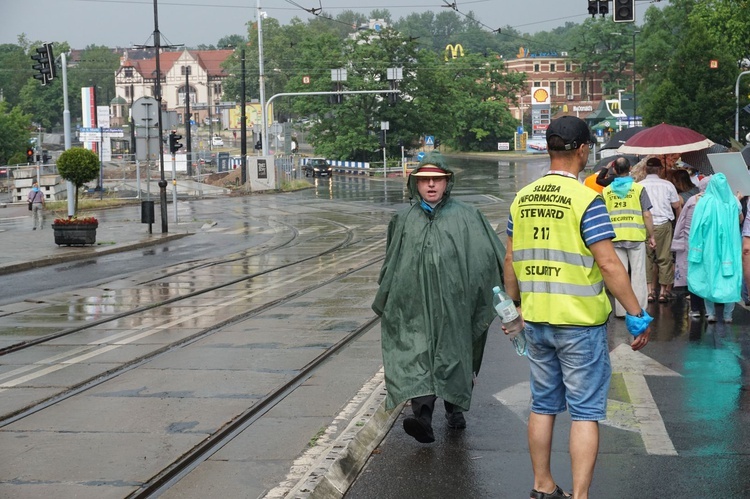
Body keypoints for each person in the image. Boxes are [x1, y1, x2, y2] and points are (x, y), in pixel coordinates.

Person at [503, 116, 651, 499]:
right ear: (583, 150)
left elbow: (510, 260)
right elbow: (609, 264)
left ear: (550, 148)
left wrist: (514, 307)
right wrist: (635, 313)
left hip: (535, 320)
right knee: (585, 412)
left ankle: (542, 485)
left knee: (543, 405)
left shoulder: (522, 199)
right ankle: (580, 496)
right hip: (580, 324)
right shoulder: (587, 199)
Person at [372, 151, 506, 444]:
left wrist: (500, 295)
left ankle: (454, 407)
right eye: (424, 180)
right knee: (417, 356)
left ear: (447, 182)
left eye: (437, 179)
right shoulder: (403, 219)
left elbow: (490, 257)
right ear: (415, 184)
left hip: (455, 304)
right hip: (414, 305)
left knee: (453, 356)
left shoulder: (468, 216)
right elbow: (391, 261)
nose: (431, 185)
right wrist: (390, 295)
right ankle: (422, 418)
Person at [602, 156, 657, 317]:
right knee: (638, 274)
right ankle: (639, 309)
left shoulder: (606, 191)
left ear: (614, 170)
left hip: (615, 237)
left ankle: (621, 310)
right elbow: (646, 215)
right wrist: (651, 235)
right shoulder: (639, 189)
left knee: (619, 274)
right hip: (635, 236)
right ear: (630, 168)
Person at [687, 173, 742, 323]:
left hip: (709, 246)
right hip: (731, 246)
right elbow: (740, 219)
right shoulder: (733, 202)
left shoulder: (704, 202)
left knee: (709, 275)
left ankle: (710, 314)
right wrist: (738, 199)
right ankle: (728, 315)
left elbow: (697, 226)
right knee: (730, 277)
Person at [639, 157, 681, 303]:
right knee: (664, 258)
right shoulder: (668, 185)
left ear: (645, 170)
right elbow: (676, 205)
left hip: (644, 225)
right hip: (664, 225)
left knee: (647, 259)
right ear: (659, 170)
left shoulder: (638, 185)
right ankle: (663, 292)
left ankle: (650, 292)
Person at [671, 177, 710, 317]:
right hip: (708, 245)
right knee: (707, 274)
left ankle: (695, 308)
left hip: (690, 244)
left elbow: (681, 222)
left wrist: (677, 242)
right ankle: (708, 309)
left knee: (693, 274)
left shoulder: (692, 200)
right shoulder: (714, 201)